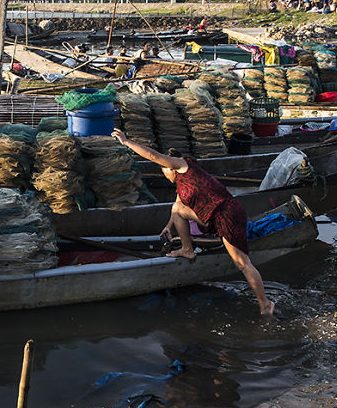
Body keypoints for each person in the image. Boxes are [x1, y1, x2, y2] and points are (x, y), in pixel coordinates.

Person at [111, 129, 276, 316]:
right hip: (214, 216)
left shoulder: (183, 166)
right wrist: (168, 226)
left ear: (169, 167)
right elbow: (177, 207)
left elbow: (153, 155)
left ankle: (265, 304)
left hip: (227, 214)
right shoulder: (182, 185)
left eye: (164, 170)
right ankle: (187, 249)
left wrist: (126, 142)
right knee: (177, 210)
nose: (165, 174)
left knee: (242, 263)